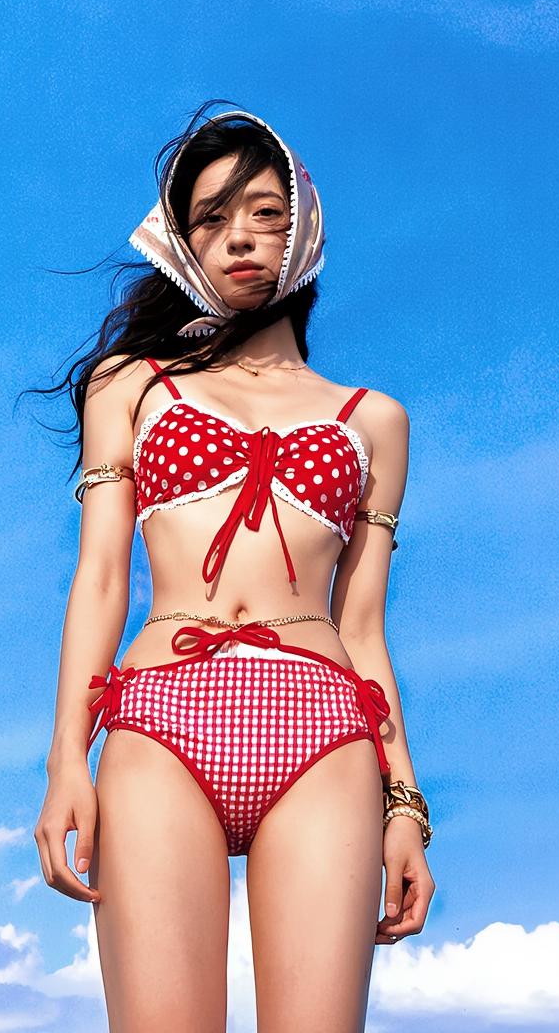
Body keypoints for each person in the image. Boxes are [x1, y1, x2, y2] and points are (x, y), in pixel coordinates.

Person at [33, 102, 436, 1032]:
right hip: (161, 712)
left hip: (325, 728)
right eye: (212, 219)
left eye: (264, 212)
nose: (240, 239)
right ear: (183, 243)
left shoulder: (374, 418)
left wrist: (406, 801)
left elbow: (364, 626)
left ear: (306, 228)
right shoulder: (132, 384)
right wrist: (65, 761)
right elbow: (100, 578)